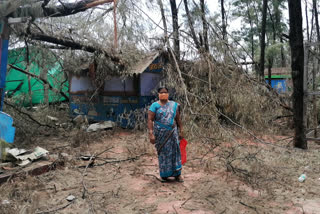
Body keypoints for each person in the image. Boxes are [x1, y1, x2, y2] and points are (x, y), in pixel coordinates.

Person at [148, 87, 184, 182]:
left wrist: (181, 130)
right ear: (158, 94)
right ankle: (164, 175)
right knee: (163, 153)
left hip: (173, 133)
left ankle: (178, 175)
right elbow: (150, 120)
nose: (163, 94)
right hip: (160, 134)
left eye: (165, 92)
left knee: (175, 153)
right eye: (161, 92)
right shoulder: (154, 106)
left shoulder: (174, 105)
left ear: (168, 94)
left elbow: (178, 119)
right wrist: (151, 134)